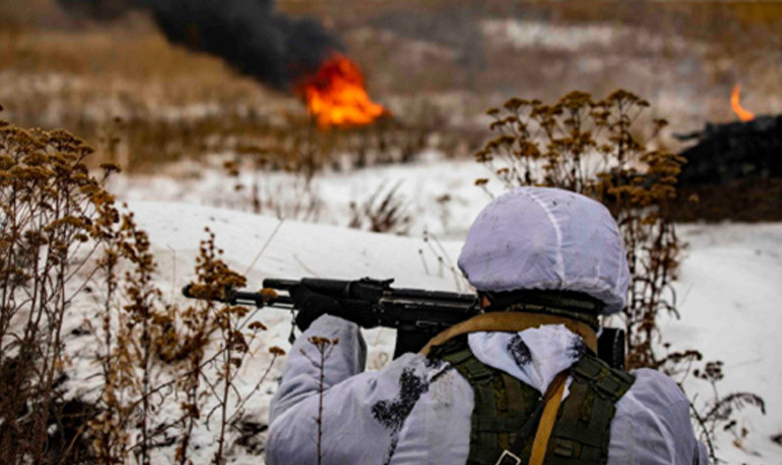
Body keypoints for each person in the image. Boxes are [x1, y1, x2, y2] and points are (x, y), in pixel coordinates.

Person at [265, 187, 707, 465]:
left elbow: (290, 444)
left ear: (485, 292)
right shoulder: (657, 412)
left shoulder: (411, 391)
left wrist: (330, 329)